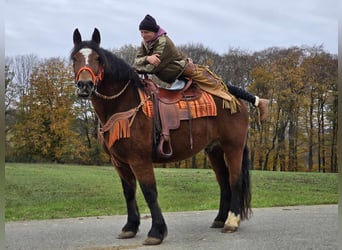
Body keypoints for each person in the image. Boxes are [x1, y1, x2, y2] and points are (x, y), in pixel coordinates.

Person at [133, 14, 269, 122]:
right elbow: (136, 62)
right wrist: (146, 58)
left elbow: (152, 68)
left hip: (186, 72)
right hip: (175, 76)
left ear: (154, 31)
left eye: (146, 32)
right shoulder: (146, 43)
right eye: (141, 32)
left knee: (220, 87)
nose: (143, 36)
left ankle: (257, 101)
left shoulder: (163, 43)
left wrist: (145, 62)